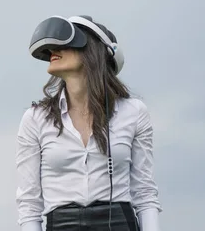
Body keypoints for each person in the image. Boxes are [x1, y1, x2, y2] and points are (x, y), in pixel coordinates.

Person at [16, 15, 162, 231]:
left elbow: (145, 193)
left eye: (64, 44)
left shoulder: (134, 112)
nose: (52, 52)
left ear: (93, 50)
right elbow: (29, 204)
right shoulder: (35, 119)